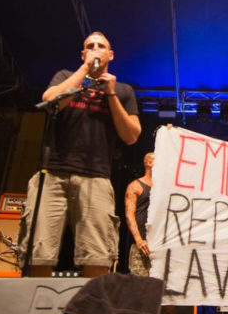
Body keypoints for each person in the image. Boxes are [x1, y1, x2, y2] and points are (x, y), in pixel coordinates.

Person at [18, 31, 141, 278]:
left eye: (101, 46)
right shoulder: (66, 77)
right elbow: (50, 101)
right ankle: (37, 302)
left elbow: (131, 135)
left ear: (110, 55)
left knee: (97, 253)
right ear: (83, 54)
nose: (95, 49)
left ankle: (88, 305)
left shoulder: (123, 90)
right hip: (53, 173)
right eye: (90, 46)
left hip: (96, 177)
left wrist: (111, 94)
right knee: (39, 250)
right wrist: (85, 70)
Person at [125, 151, 190, 314]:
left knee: (168, 295)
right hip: (142, 248)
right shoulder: (136, 186)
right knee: (143, 295)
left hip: (163, 248)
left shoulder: (166, 188)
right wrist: (139, 239)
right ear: (148, 163)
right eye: (156, 158)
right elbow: (129, 214)